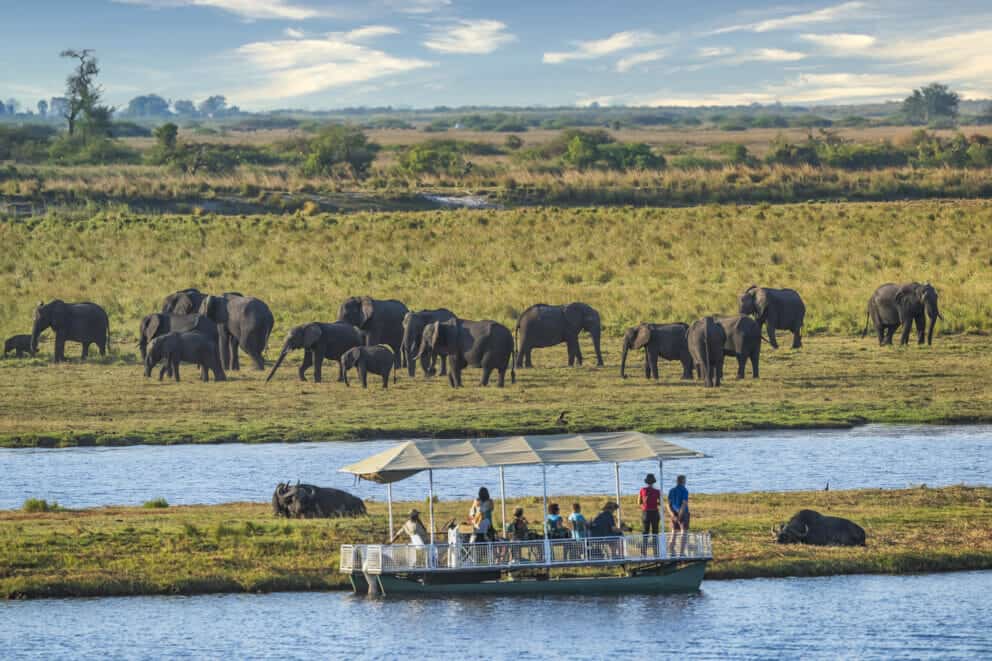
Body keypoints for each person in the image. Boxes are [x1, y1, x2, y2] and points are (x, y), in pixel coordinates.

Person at [666, 474, 690, 556]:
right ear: (683, 481)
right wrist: (680, 515)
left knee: (674, 532)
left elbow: (668, 504)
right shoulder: (684, 490)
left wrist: (672, 515)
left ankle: (671, 552)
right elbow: (684, 503)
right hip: (683, 513)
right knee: (683, 532)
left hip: (673, 513)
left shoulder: (671, 490)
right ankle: (681, 553)